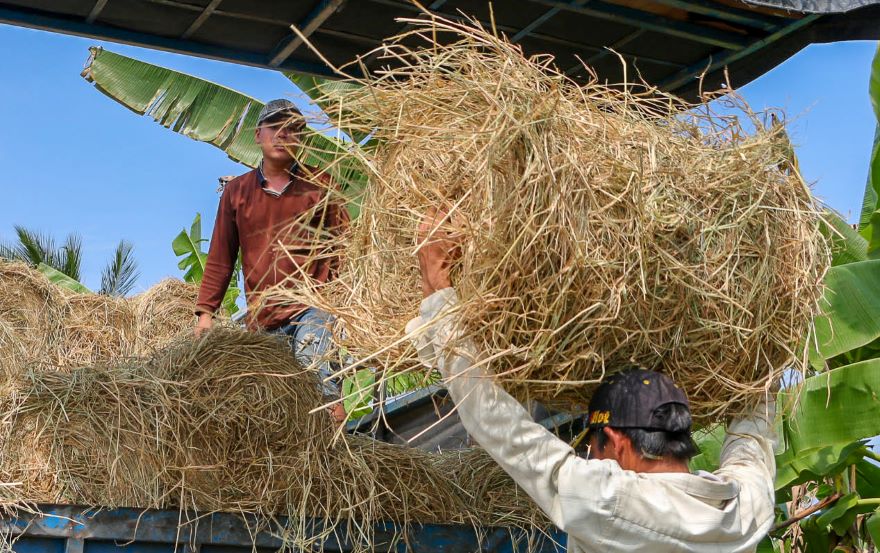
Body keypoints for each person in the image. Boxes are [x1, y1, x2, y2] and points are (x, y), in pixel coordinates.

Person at [406, 211, 777, 552]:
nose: (589, 458)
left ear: (616, 443)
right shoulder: (742, 512)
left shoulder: (611, 504)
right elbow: (751, 445)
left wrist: (439, 290)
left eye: (592, 450)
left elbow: (503, 429)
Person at [195, 99, 350, 421]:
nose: (284, 135)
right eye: (276, 127)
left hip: (313, 307)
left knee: (324, 395)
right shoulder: (237, 192)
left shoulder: (322, 187)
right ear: (258, 135)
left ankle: (338, 456)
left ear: (302, 139)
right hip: (262, 317)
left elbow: (345, 247)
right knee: (273, 411)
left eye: (293, 129)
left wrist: (345, 305)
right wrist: (206, 313)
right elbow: (222, 255)